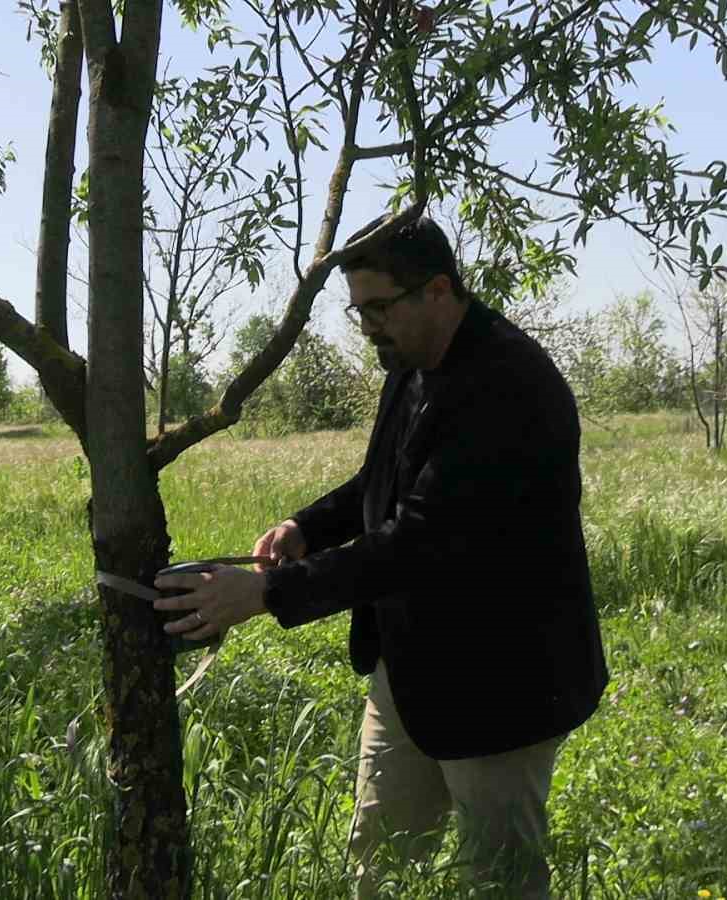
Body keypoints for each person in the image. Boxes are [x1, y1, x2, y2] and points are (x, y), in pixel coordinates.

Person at [153, 213, 609, 898]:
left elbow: (424, 541)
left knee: (500, 878)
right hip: (412, 666)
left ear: (438, 291)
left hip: (505, 678)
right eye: (357, 310)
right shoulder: (413, 360)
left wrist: (266, 594)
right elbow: (383, 482)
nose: (366, 326)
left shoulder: (509, 388)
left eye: (378, 308)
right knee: (380, 860)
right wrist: (304, 526)